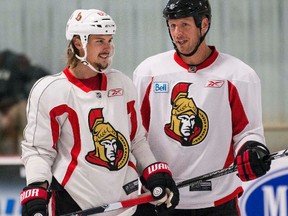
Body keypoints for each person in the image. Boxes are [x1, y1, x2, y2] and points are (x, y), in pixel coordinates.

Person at [20, 9, 179, 216]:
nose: (108, 48)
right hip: (77, 204)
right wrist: (37, 188)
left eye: (110, 40)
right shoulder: (50, 91)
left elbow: (136, 140)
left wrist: (153, 170)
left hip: (128, 203)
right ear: (78, 43)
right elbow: (39, 150)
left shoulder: (122, 84)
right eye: (100, 41)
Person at [133, 0, 271, 215]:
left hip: (217, 200)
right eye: (172, 25)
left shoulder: (239, 75)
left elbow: (248, 132)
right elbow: (136, 133)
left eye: (185, 25)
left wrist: (251, 149)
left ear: (204, 24)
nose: (177, 33)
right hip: (159, 196)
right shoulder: (148, 71)